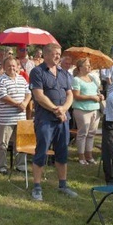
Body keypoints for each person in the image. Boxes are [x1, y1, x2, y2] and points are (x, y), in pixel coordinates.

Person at [29, 43, 77, 200]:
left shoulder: (64, 73)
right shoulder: (37, 72)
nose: (58, 56)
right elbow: (39, 96)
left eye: (59, 53)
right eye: (55, 53)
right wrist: (56, 110)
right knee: (41, 152)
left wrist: (64, 109)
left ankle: (63, 185)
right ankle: (37, 187)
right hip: (46, 120)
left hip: (63, 120)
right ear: (46, 54)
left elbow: (70, 94)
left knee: (62, 152)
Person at [0, 57, 32, 175]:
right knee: (2, 144)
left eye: (13, 66)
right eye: (9, 66)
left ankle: (20, 166)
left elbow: (28, 93)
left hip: (21, 118)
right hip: (6, 119)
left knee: (21, 144)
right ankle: (2, 167)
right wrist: (17, 104)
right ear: (4, 67)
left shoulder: (22, 79)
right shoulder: (2, 80)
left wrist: (25, 103)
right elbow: (3, 96)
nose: (12, 68)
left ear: (17, 66)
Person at [71, 58, 103, 165]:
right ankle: (81, 156)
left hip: (95, 109)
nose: (89, 67)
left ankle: (89, 155)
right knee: (82, 133)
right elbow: (76, 95)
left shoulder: (93, 78)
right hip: (82, 109)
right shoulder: (76, 79)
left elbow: (96, 91)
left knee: (91, 133)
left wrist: (99, 95)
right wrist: (91, 97)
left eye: (90, 65)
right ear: (80, 68)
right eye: (87, 65)